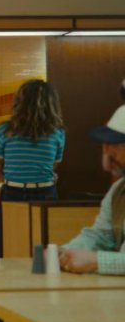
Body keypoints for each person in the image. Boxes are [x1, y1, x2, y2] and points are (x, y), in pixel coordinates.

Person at [0, 79, 65, 322]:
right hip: (45, 197)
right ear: (52, 104)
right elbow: (53, 168)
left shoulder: (5, 130)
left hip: (13, 194)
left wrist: (7, 175)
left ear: (18, 102)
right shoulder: (58, 132)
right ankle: (44, 316)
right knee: (43, 260)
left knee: (2, 256)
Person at [59, 104, 125, 275]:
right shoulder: (119, 190)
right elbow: (101, 235)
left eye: (115, 145)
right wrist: (64, 252)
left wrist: (96, 261)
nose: (108, 153)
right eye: (106, 145)